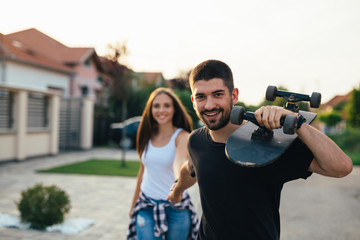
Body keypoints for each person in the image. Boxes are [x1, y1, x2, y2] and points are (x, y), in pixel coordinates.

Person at [167, 59, 353, 239]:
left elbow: (341, 167)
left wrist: (298, 123)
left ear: (234, 95)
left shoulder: (269, 142)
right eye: (201, 97)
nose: (209, 105)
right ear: (193, 100)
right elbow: (190, 169)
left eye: (218, 94)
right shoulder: (196, 141)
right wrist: (177, 190)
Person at [127, 87, 199, 240]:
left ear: (174, 109)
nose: (161, 110)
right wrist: (134, 204)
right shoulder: (146, 134)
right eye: (156, 105)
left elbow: (179, 163)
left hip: (177, 208)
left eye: (167, 105)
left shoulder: (182, 136)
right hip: (146, 205)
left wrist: (177, 185)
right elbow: (143, 170)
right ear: (150, 109)